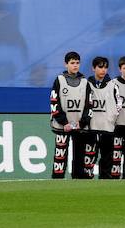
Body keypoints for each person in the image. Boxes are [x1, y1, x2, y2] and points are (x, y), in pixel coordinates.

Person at [49, 51, 94, 179]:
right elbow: (54, 102)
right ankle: (57, 180)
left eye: (77, 63)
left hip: (79, 125)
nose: (75, 65)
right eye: (72, 63)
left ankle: (78, 180)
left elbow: (89, 105)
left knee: (79, 155)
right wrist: (64, 122)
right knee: (60, 155)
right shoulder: (59, 80)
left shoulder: (85, 82)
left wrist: (83, 122)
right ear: (66, 64)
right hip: (62, 125)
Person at [87, 56, 118, 179]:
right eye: (100, 67)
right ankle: (86, 179)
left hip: (107, 127)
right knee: (89, 156)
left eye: (105, 67)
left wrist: (112, 118)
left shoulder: (113, 84)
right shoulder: (86, 84)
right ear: (93, 68)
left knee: (107, 156)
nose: (103, 70)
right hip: (92, 127)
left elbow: (118, 103)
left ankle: (105, 179)